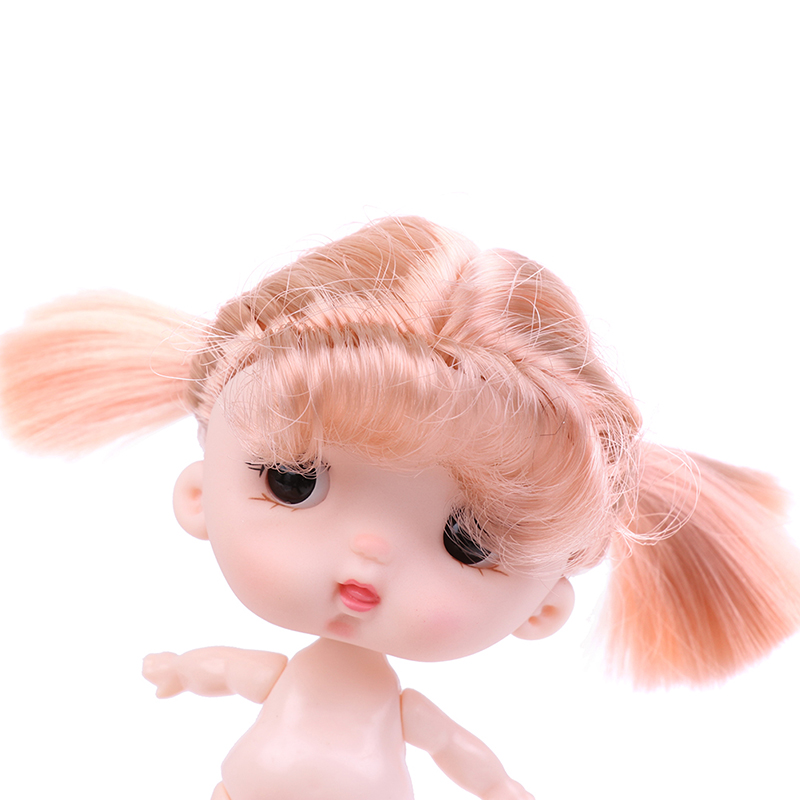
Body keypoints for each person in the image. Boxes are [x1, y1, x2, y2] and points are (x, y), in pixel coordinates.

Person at [2, 216, 798, 799]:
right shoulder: (299, 679)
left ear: (544, 608)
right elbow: (230, 672)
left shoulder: (388, 705)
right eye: (293, 483)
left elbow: (453, 749)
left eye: (468, 541)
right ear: (198, 495)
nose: (370, 552)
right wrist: (181, 670)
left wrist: (500, 786)